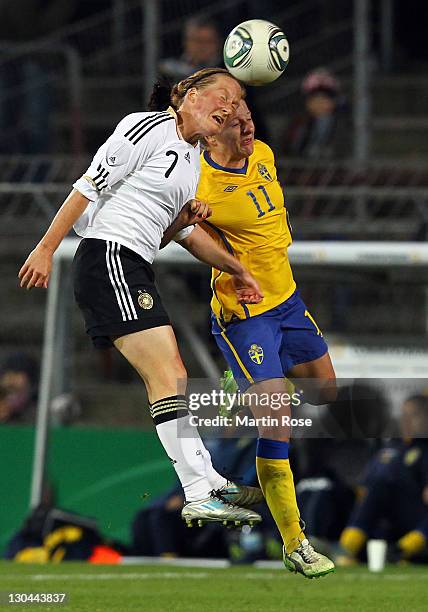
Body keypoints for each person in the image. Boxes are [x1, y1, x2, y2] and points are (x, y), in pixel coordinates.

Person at [18, 68, 264, 529]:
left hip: (133, 263)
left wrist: (236, 267)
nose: (230, 108)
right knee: (169, 373)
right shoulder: (145, 126)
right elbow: (88, 186)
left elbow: (175, 235)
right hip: (108, 255)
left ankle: (206, 480)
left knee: (170, 375)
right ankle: (199, 488)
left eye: (236, 103)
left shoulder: (193, 161)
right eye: (223, 96)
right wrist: (47, 247)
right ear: (188, 96)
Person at [163, 99, 336, 578]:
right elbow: (166, 233)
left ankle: (250, 398)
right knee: (278, 417)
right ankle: (295, 541)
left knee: (325, 392)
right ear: (211, 134)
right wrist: (186, 219)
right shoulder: (198, 180)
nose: (245, 128)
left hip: (288, 301)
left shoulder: (262, 153)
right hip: (245, 315)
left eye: (248, 120)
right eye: (234, 124)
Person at [339, 394, 428, 564]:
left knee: (381, 487)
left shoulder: (424, 450)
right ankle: (348, 547)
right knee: (375, 489)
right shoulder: (388, 449)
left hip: (415, 518)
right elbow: (364, 489)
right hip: (384, 518)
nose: (407, 420)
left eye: (414, 415)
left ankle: (405, 549)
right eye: (404, 414)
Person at [283, 67, 348, 160]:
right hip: (300, 160)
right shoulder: (299, 123)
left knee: (326, 121)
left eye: (325, 98)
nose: (320, 102)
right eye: (315, 98)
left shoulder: (337, 124)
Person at [159, 17, 222, 84]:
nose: (203, 46)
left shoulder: (225, 72)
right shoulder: (167, 71)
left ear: (218, 43)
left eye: (209, 41)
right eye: (198, 41)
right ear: (186, 42)